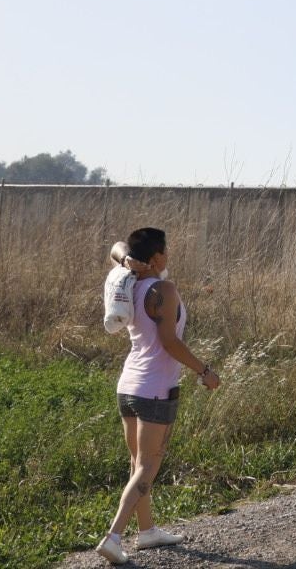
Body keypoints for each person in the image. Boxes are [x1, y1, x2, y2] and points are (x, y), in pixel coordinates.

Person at [95, 228, 222, 565]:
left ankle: (147, 530)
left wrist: (127, 260)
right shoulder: (164, 289)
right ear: (156, 258)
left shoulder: (130, 282)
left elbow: (117, 249)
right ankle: (113, 536)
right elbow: (170, 342)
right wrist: (204, 371)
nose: (169, 255)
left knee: (138, 464)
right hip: (155, 390)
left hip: (128, 385)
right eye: (165, 251)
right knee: (148, 465)